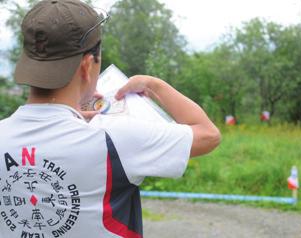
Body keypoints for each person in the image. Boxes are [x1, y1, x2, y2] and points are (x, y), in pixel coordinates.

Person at [0, 0, 221, 237]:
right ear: (87, 66)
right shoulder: (113, 138)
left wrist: (72, 115)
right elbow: (208, 135)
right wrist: (153, 85)